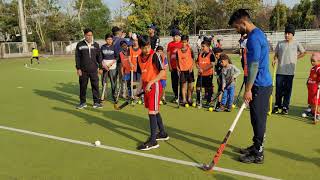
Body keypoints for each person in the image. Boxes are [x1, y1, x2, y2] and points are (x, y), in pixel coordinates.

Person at [229, 9, 272, 164]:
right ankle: (256, 145)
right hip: (260, 83)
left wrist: (248, 90)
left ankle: (258, 154)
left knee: (259, 120)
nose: (236, 30)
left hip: (260, 85)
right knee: (255, 119)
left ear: (243, 22)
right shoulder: (258, 33)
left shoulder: (253, 39)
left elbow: (253, 66)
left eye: (236, 27)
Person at [136, 35, 169, 151]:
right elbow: (141, 76)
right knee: (155, 110)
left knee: (152, 112)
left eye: (148, 46)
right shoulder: (139, 58)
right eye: (144, 47)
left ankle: (153, 141)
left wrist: (150, 83)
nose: (146, 49)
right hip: (146, 85)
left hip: (154, 85)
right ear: (140, 47)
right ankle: (163, 133)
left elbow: (162, 72)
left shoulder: (154, 55)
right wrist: (138, 89)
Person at [272, 24, 306, 115]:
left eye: (289, 33)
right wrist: (275, 59)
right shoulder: (280, 43)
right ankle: (277, 105)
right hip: (280, 71)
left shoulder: (296, 43)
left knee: (287, 90)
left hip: (290, 72)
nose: (287, 35)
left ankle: (285, 107)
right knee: (278, 90)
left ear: (292, 34)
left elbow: (303, 52)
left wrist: (296, 57)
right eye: (286, 33)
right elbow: (276, 54)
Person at [75, 28, 103, 109]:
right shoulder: (80, 44)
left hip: (94, 70)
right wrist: (78, 68)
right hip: (83, 70)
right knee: (83, 87)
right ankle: (83, 103)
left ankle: (96, 103)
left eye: (91, 35)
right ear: (85, 35)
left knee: (95, 86)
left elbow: (99, 57)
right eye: (88, 35)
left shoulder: (96, 45)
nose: (89, 37)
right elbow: (77, 57)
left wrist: (100, 68)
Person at [195, 40, 215, 108]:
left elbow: (212, 64)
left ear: (208, 46)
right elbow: (197, 63)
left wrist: (203, 69)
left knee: (208, 88)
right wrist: (199, 68)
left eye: (203, 46)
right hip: (200, 75)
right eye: (201, 46)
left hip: (208, 75)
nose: (202, 48)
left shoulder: (211, 54)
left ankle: (208, 101)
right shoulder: (200, 54)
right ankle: (198, 101)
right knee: (198, 88)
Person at [176, 35, 195, 106]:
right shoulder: (178, 51)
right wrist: (177, 67)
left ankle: (189, 98)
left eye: (185, 42)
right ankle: (184, 99)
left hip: (189, 70)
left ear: (187, 42)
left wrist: (191, 67)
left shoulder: (190, 50)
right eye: (182, 42)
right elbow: (177, 60)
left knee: (190, 86)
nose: (183, 44)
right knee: (183, 86)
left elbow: (193, 59)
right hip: (182, 71)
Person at [100, 33, 118, 103]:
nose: (110, 40)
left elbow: (116, 57)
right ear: (105, 40)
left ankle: (114, 96)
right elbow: (100, 57)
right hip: (104, 66)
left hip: (112, 66)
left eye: (111, 39)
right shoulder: (102, 47)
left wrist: (110, 64)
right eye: (108, 39)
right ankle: (103, 96)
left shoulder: (114, 47)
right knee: (104, 82)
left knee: (113, 82)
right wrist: (104, 65)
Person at [167, 29, 182, 102]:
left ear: (179, 36)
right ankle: (176, 95)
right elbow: (168, 55)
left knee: (181, 82)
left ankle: (182, 96)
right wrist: (169, 66)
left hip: (181, 67)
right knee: (174, 83)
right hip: (173, 67)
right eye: (173, 36)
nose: (175, 38)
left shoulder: (183, 43)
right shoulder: (170, 44)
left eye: (176, 36)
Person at [307, 52, 320, 119]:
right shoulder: (312, 68)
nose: (312, 62)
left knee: (315, 102)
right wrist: (308, 82)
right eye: (311, 61)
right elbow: (311, 77)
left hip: (316, 89)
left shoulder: (318, 68)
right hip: (310, 89)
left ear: (319, 61)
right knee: (311, 101)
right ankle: (312, 112)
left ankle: (317, 113)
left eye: (313, 61)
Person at [129, 34, 142, 101]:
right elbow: (129, 58)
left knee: (140, 82)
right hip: (132, 69)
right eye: (133, 40)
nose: (135, 42)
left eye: (136, 40)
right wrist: (130, 63)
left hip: (140, 69)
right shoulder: (130, 48)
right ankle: (134, 96)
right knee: (133, 83)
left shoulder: (141, 48)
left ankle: (140, 96)